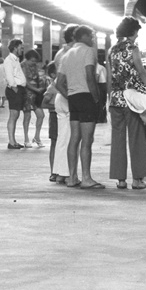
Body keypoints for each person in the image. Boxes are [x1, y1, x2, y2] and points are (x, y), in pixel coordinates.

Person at [108, 16, 146, 190]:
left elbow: (111, 77)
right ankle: (137, 179)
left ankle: (120, 180)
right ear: (132, 31)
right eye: (136, 33)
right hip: (131, 100)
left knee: (117, 139)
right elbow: (141, 71)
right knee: (137, 139)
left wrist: (109, 97)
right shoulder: (132, 48)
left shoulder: (112, 50)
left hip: (115, 99)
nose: (137, 36)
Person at [56, 25, 104, 189]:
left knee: (74, 138)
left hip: (74, 98)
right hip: (86, 97)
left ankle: (72, 178)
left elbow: (58, 83)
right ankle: (86, 178)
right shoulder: (88, 51)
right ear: (84, 36)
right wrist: (96, 99)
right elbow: (90, 76)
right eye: (91, 37)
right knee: (87, 140)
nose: (92, 40)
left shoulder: (67, 54)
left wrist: (70, 95)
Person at [52, 24, 77, 185]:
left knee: (62, 138)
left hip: (59, 98)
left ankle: (59, 172)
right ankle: (67, 174)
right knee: (69, 138)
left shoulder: (59, 53)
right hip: (67, 97)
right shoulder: (70, 53)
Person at [3, 38, 26, 149]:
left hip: (18, 89)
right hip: (14, 90)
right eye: (21, 48)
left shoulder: (16, 60)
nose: (22, 50)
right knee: (13, 115)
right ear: (15, 48)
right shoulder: (9, 60)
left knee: (15, 116)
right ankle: (11, 142)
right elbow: (9, 76)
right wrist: (15, 88)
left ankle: (13, 141)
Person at [20, 49, 46, 148]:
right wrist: (35, 88)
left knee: (41, 115)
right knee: (27, 116)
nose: (34, 63)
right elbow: (24, 81)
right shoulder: (22, 66)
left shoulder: (35, 66)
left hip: (36, 94)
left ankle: (37, 137)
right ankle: (26, 139)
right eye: (32, 61)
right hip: (26, 93)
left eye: (35, 61)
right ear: (27, 59)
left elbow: (38, 77)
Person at [41, 61, 59, 181]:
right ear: (53, 74)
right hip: (55, 117)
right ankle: (53, 171)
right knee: (54, 144)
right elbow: (43, 103)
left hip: (61, 117)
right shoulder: (52, 88)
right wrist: (56, 108)